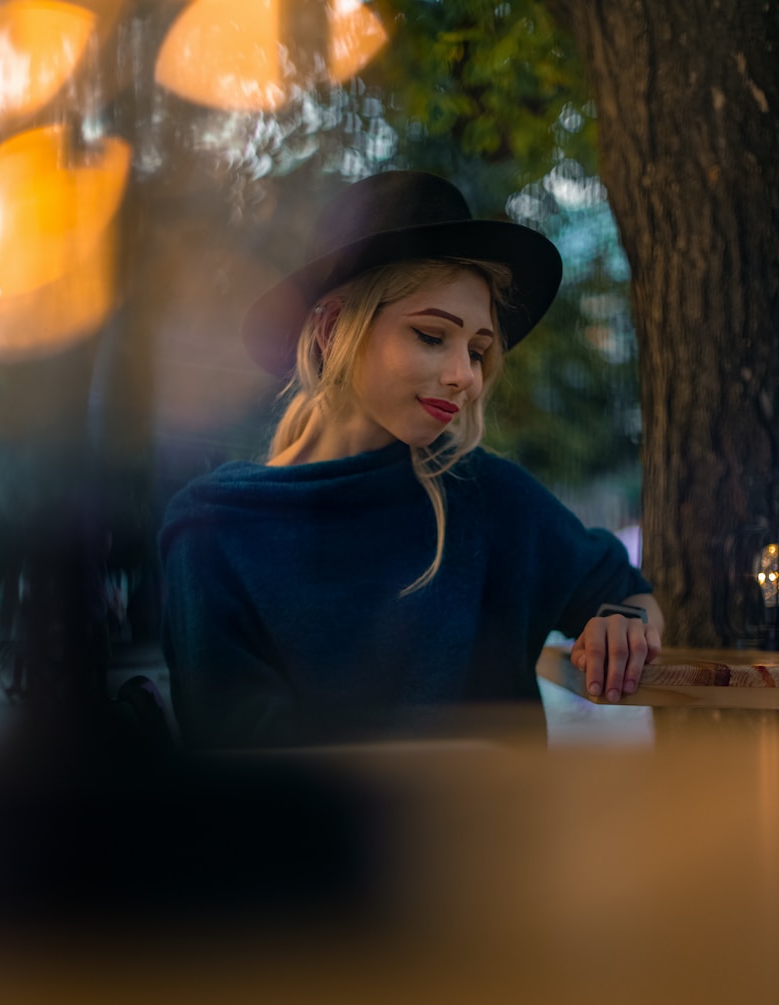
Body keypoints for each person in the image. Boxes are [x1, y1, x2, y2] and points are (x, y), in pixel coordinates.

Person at [159, 170, 663, 749]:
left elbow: (626, 594)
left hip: (502, 840)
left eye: (477, 350)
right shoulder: (213, 528)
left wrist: (624, 629)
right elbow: (236, 763)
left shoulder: (487, 496)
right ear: (331, 329)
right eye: (431, 336)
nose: (465, 376)